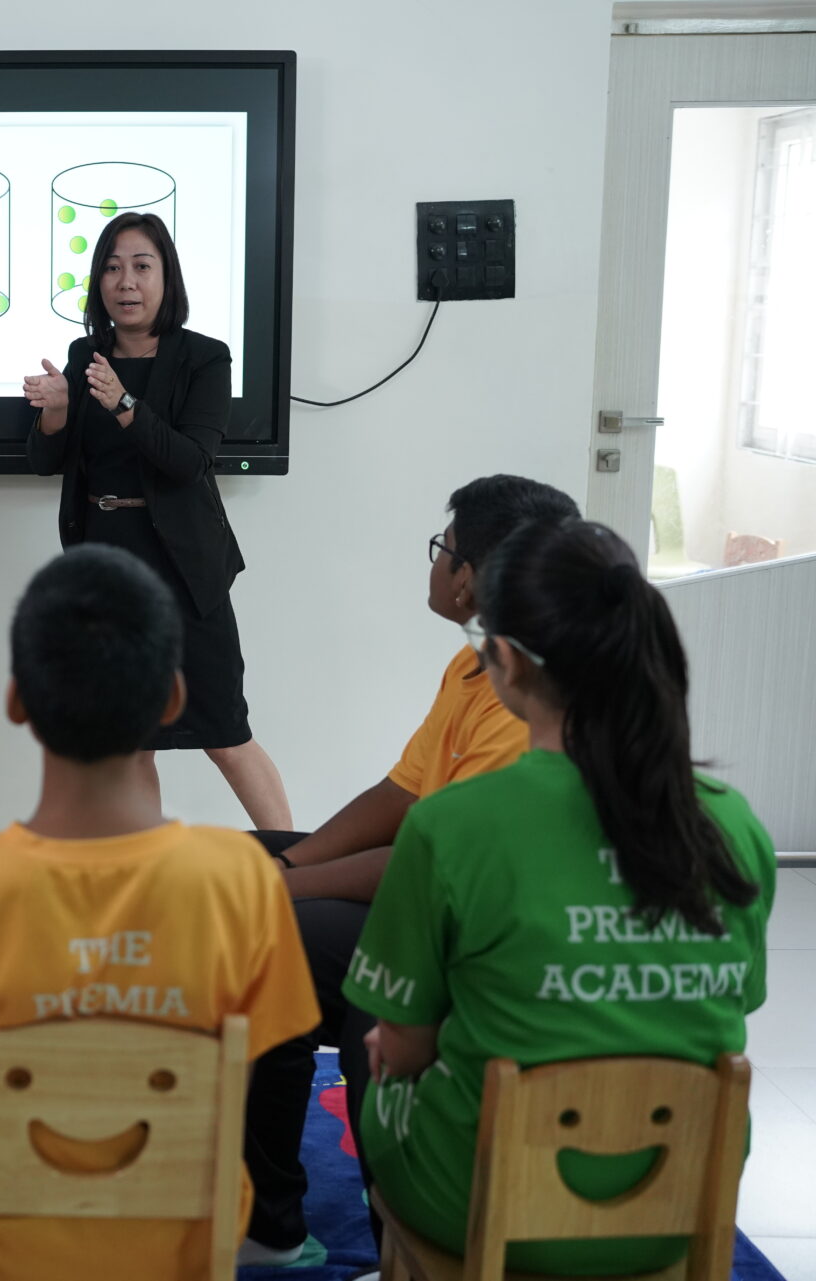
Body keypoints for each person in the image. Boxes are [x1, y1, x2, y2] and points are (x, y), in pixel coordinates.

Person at [0, 544, 320, 1278]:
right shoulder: (242, 882)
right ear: (173, 699)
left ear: (17, 700)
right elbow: (250, 1081)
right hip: (183, 1238)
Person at [346, 518, 774, 1274]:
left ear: (508, 661)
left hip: (485, 1198)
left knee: (386, 1071)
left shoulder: (454, 825)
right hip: (680, 1196)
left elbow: (405, 1045)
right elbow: (736, 1003)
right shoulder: (732, 822)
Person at [239, 474, 581, 1263]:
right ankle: (263, 1212)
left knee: (275, 931)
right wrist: (283, 859)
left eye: (442, 549)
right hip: (439, 883)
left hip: (461, 913)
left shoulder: (527, 700)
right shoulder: (472, 668)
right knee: (244, 862)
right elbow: (403, 795)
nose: (434, 564)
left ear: (470, 579)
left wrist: (282, 887)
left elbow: (438, 864)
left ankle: (300, 1224)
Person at [23, 211, 290, 830]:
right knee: (130, 737)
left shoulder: (204, 358)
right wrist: (57, 410)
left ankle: (294, 859)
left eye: (142, 266)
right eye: (113, 268)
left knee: (225, 731)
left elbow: (190, 461)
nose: (126, 282)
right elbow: (46, 461)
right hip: (106, 567)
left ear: (166, 278)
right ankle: (144, 860)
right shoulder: (84, 354)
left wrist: (123, 403)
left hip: (183, 567)